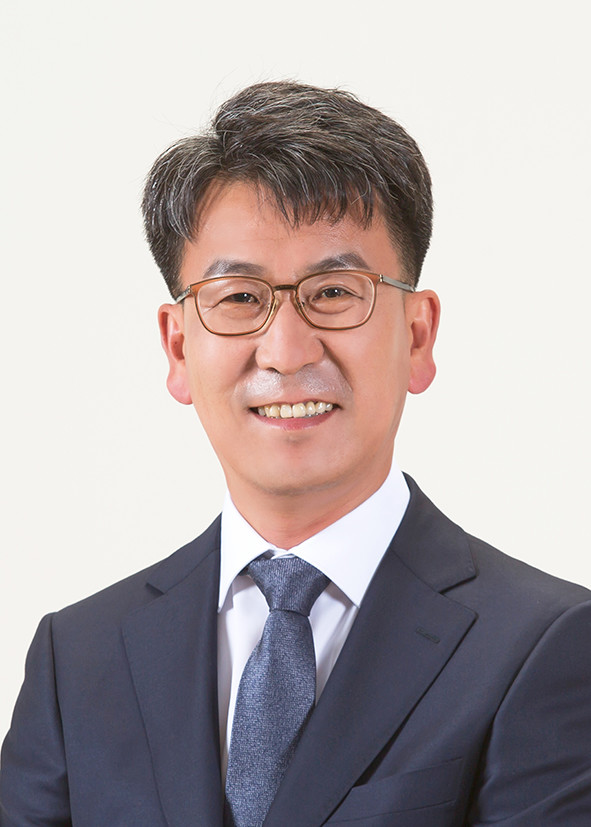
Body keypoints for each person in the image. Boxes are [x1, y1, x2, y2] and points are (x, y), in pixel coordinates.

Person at [1, 81, 590, 827]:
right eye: (239, 297)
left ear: (417, 336)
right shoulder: (78, 658)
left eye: (335, 292)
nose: (285, 351)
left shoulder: (547, 645)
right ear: (178, 348)